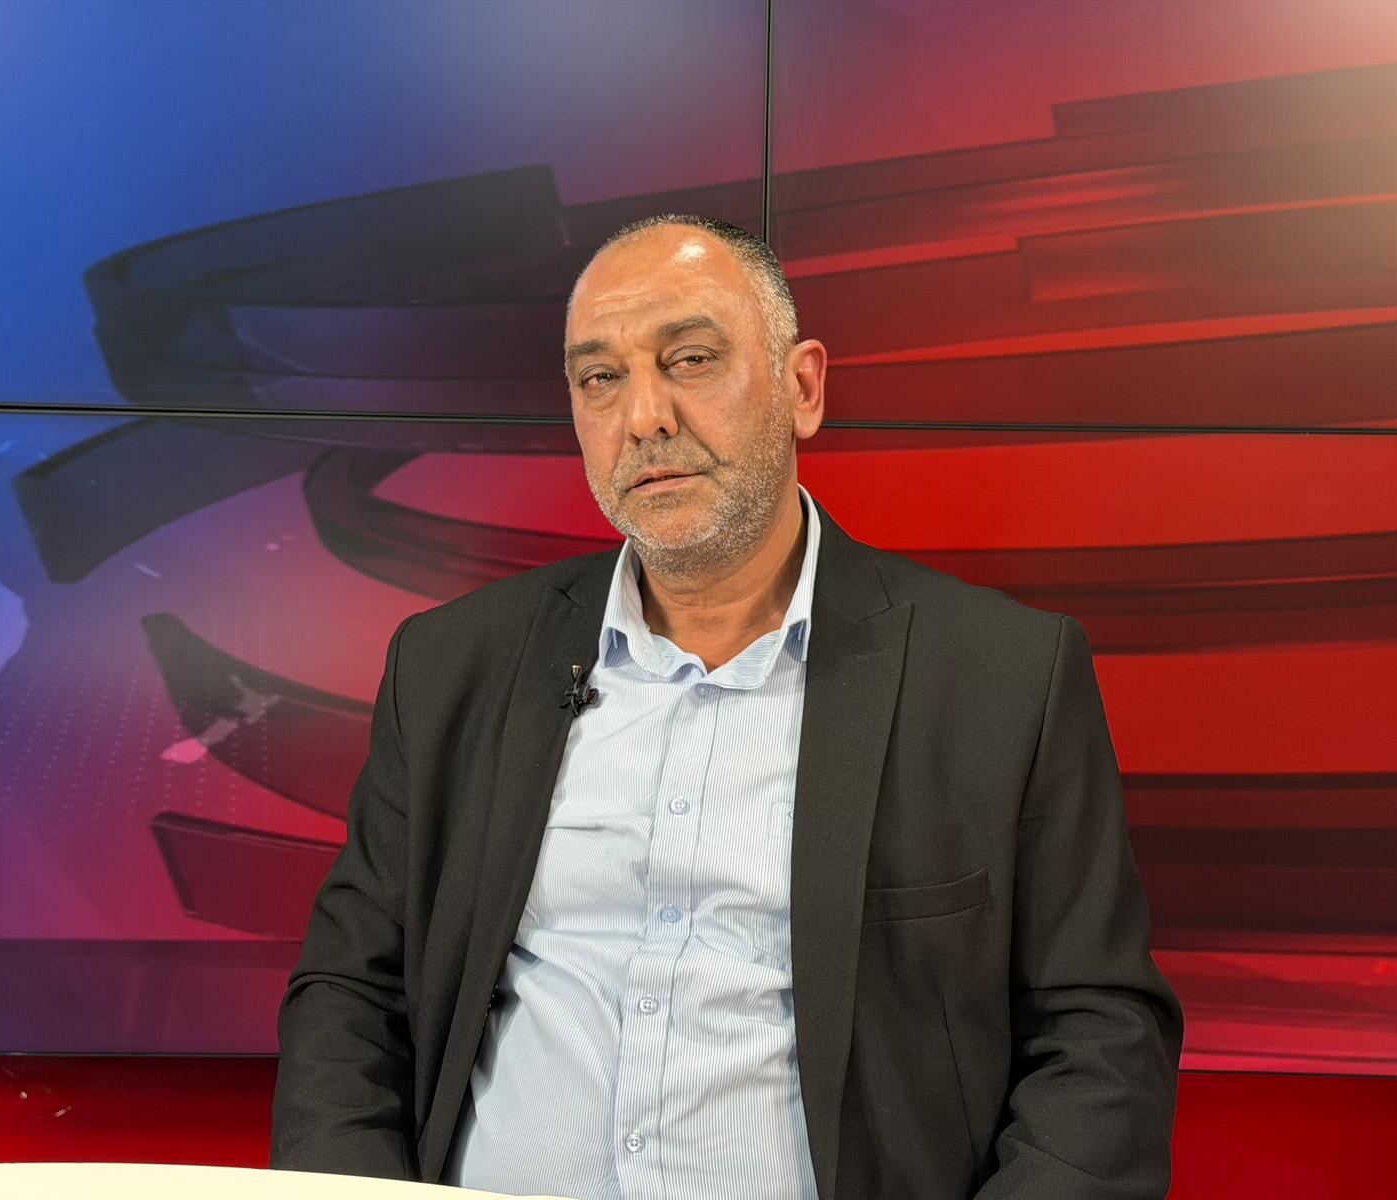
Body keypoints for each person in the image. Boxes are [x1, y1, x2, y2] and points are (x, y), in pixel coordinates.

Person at [271, 214, 1183, 1199]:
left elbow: (1100, 1036)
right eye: (599, 378)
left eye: (691, 360)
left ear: (802, 387)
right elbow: (350, 993)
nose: (643, 417)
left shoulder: (1001, 677)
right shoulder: (453, 665)